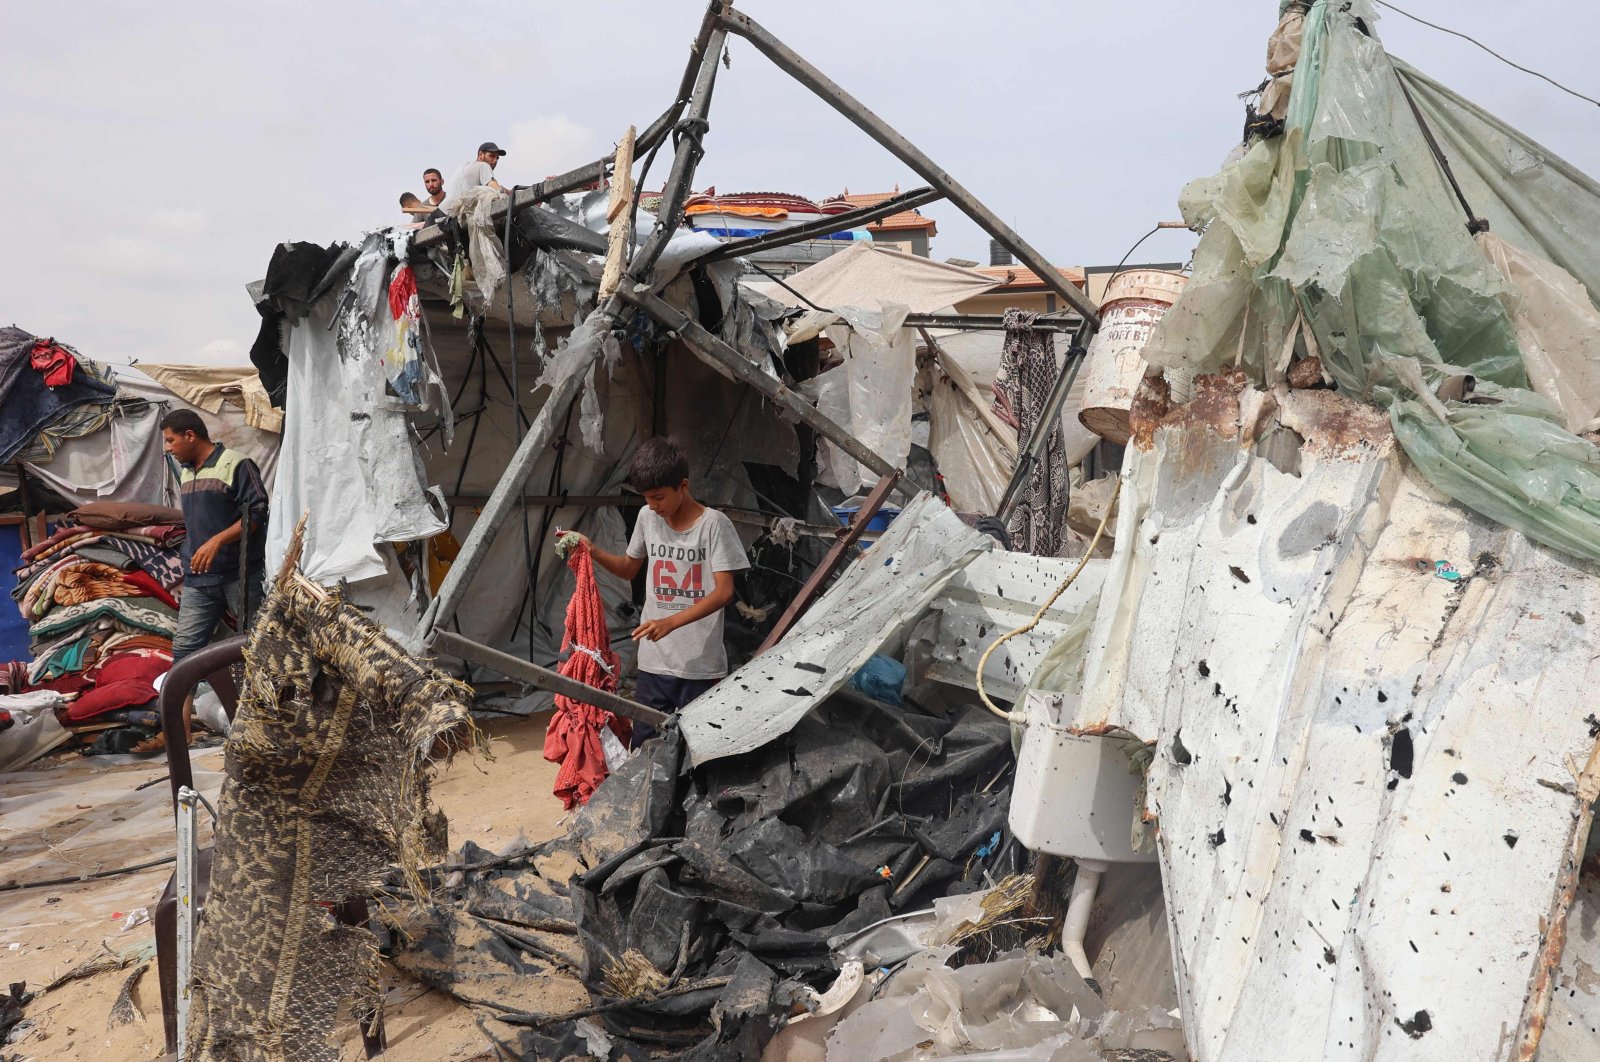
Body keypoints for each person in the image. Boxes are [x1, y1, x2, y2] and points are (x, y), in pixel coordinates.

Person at [570, 437, 748, 744]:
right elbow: (629, 567)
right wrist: (594, 550)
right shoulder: (647, 518)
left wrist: (670, 622)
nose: (653, 505)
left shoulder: (713, 525)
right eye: (647, 499)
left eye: (658, 497)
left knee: (699, 746)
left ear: (683, 486)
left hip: (699, 665)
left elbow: (723, 593)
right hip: (655, 663)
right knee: (646, 744)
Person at [160, 410, 269, 663]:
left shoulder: (237, 464)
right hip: (199, 579)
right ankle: (184, 705)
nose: (167, 448)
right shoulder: (186, 473)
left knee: (259, 644)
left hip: (239, 576)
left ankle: (263, 701)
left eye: (170, 440)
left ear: (190, 435)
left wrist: (217, 541)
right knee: (184, 651)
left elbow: (257, 514)